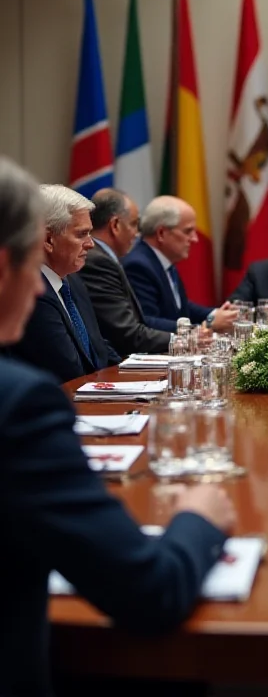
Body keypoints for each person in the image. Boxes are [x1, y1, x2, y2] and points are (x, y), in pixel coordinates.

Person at [0, 157, 236, 697]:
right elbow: (150, 591)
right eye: (28, 261)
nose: (37, 291)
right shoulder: (21, 407)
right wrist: (199, 517)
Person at [3, 184, 120, 382]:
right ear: (48, 239)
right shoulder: (33, 293)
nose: (91, 244)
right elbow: (68, 369)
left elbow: (98, 346)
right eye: (82, 234)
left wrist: (131, 376)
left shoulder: (72, 280)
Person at [123, 196, 238, 332]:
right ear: (161, 233)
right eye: (188, 231)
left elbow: (179, 307)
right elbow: (146, 322)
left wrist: (214, 314)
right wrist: (207, 324)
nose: (195, 239)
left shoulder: (164, 260)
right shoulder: (138, 266)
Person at [79, 188, 171, 356]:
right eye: (134, 224)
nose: (137, 234)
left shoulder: (105, 258)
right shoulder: (98, 262)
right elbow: (127, 334)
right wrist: (183, 339)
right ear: (115, 225)